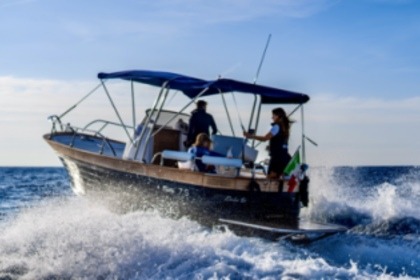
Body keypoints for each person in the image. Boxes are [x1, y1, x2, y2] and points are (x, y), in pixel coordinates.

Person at [243, 107, 292, 179]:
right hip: (285, 157)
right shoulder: (285, 127)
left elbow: (265, 138)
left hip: (277, 158)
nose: (272, 117)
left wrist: (251, 136)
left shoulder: (276, 127)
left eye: (273, 115)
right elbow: (279, 141)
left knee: (270, 179)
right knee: (276, 180)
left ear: (278, 116)